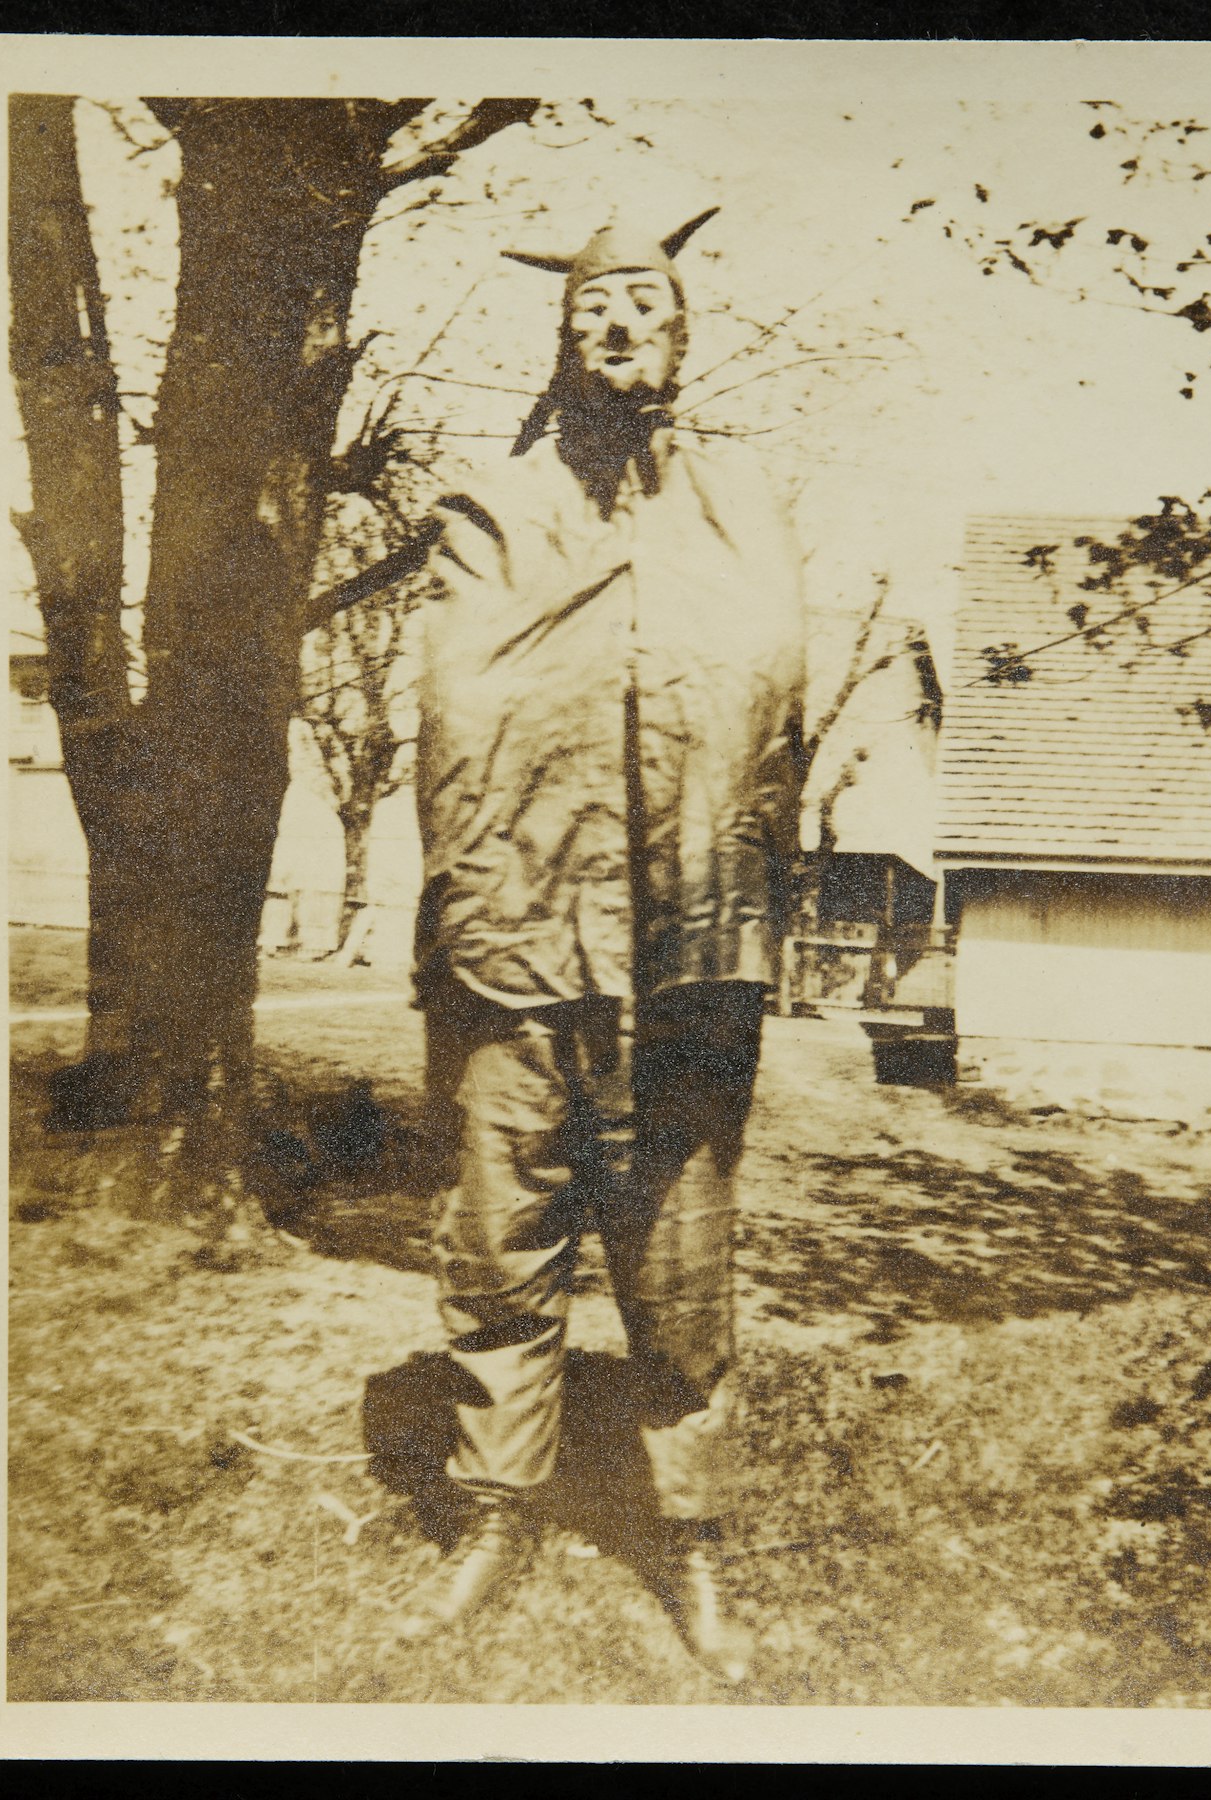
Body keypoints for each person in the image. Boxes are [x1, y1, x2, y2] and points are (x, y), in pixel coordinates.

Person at [388, 208, 806, 1683]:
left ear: (683, 335)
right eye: (592, 311)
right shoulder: (492, 507)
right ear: (562, 343)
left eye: (646, 306)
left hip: (690, 956)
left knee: (679, 1261)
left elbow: (767, 708)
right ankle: (495, 1515)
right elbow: (460, 707)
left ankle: (688, 1539)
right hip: (515, 941)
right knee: (500, 1250)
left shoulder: (742, 506)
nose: (620, 326)